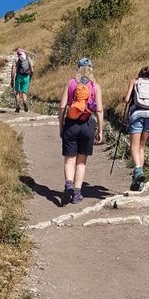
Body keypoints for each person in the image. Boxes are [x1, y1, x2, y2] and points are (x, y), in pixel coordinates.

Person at [58, 57, 104, 204]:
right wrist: (100, 131)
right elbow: (99, 110)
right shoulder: (95, 86)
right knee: (81, 162)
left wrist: (61, 126)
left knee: (69, 159)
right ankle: (77, 193)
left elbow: (62, 107)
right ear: (91, 69)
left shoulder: (71, 83)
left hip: (71, 124)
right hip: (87, 124)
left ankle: (69, 185)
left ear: (77, 68)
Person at [123, 67, 149, 190]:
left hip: (137, 115)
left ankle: (138, 170)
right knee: (141, 147)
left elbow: (127, 99)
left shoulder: (134, 81)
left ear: (140, 74)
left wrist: (125, 99)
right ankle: (139, 182)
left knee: (134, 146)